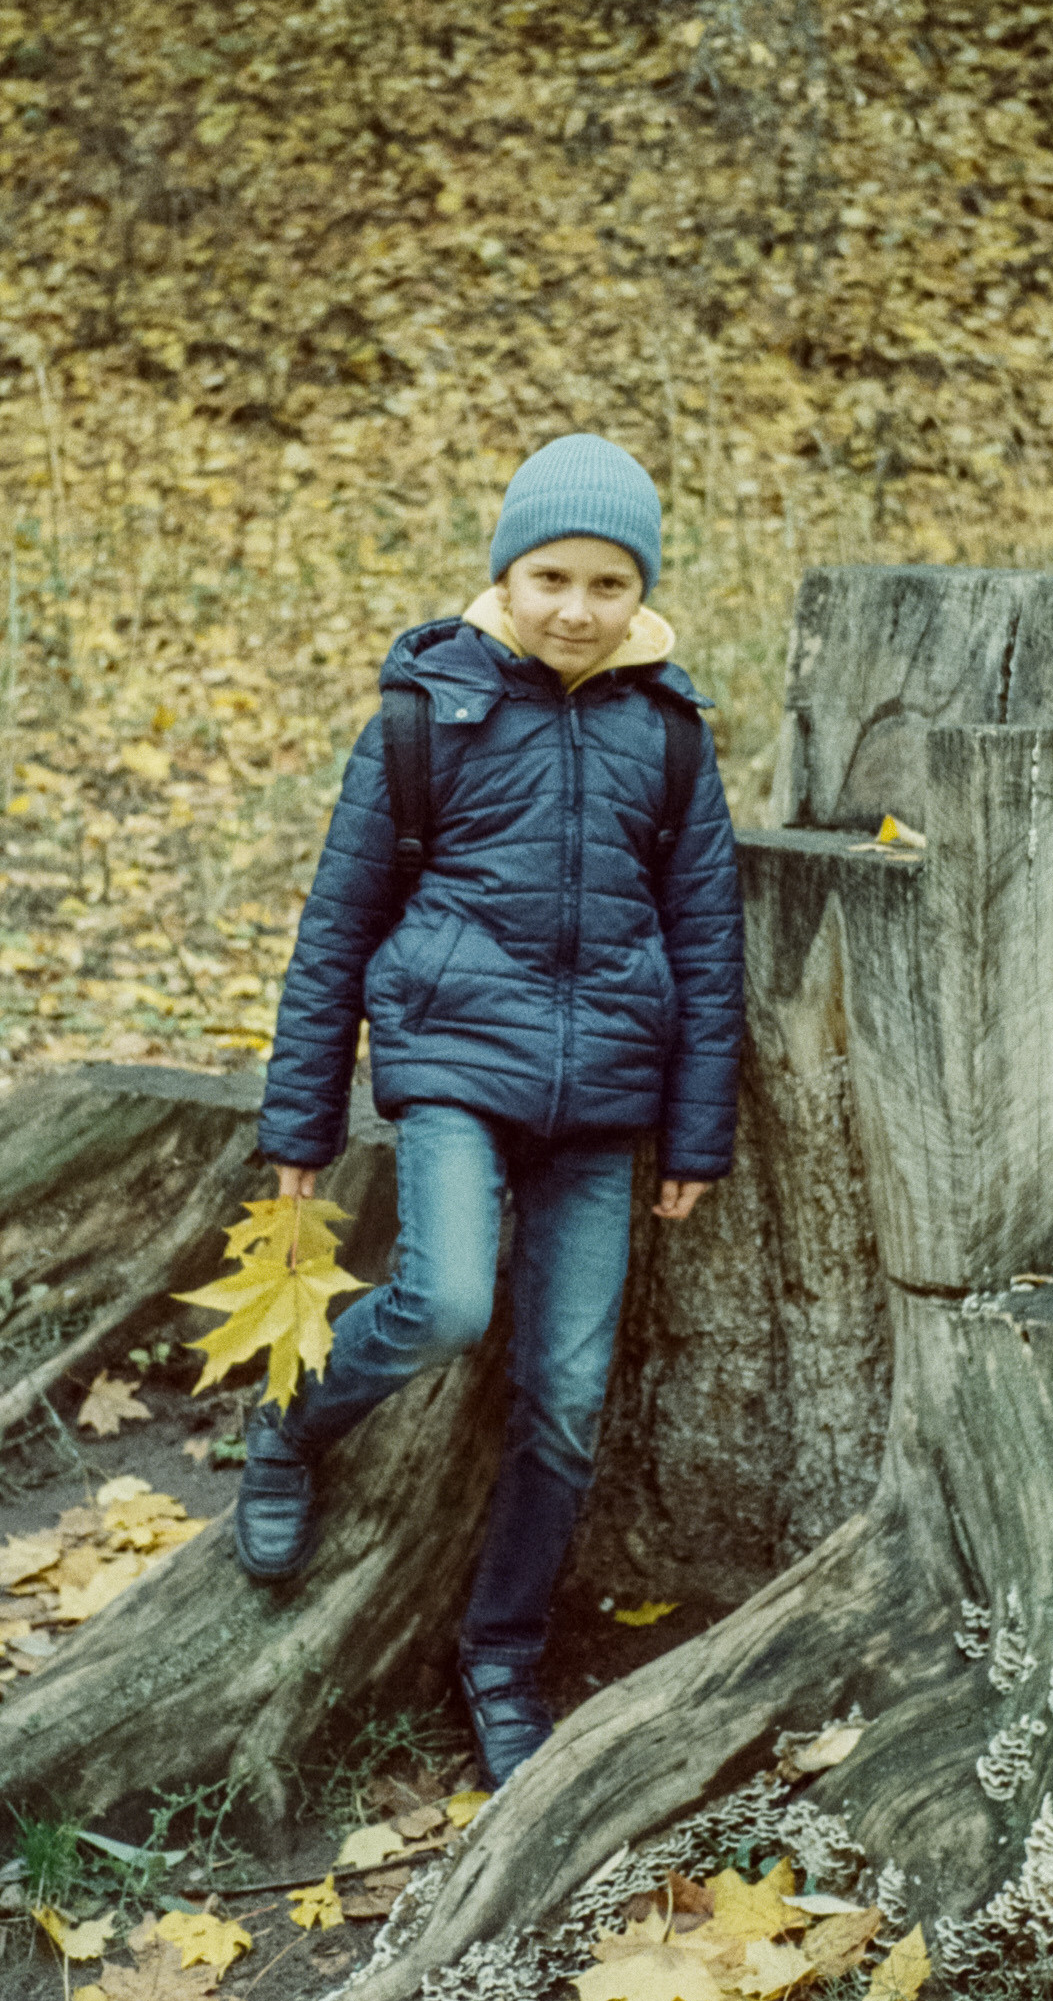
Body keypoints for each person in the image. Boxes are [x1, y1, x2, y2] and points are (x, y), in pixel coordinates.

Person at [243, 433, 745, 1790]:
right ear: (504, 575)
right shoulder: (427, 709)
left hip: (605, 1102)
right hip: (456, 1056)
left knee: (568, 1394)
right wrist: (300, 1121)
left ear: (639, 591)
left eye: (606, 581)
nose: (575, 607)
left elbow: (707, 938)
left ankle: (503, 1647)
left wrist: (698, 1130)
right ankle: (290, 1425)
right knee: (451, 1297)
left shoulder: (671, 732)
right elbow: (338, 919)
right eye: (550, 576)